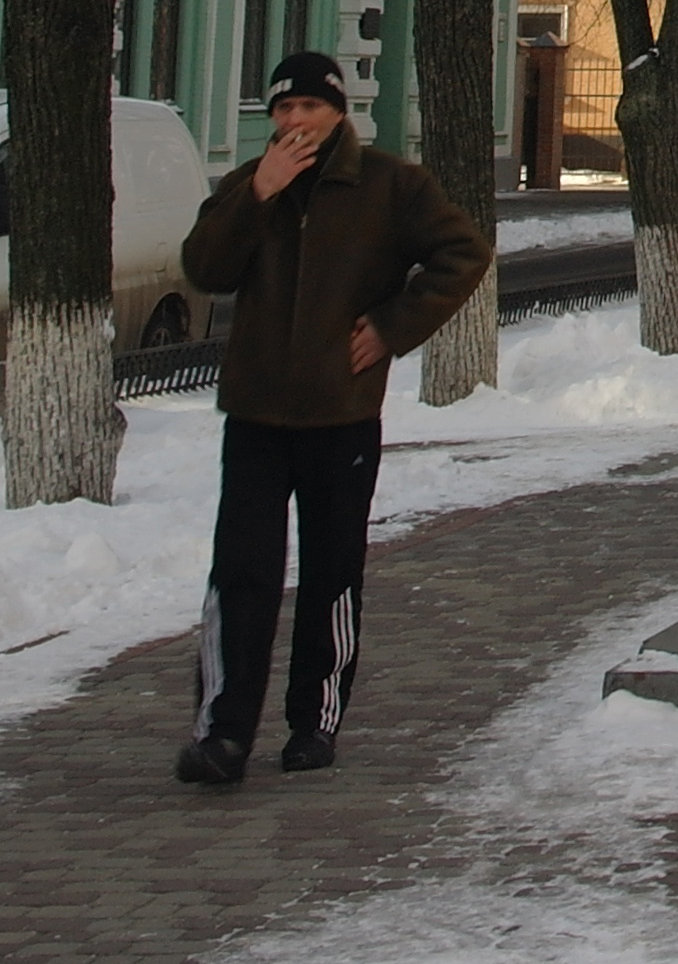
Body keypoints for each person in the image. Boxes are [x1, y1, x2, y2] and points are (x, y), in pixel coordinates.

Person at [172, 51, 490, 788]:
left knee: (331, 573)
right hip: (255, 413)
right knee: (242, 573)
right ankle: (222, 733)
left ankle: (315, 721)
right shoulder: (249, 186)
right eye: (282, 110)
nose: (293, 124)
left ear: (337, 113)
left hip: (340, 417)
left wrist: (390, 328)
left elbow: (463, 253)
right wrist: (258, 194)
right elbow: (206, 269)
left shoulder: (389, 186)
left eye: (308, 109)